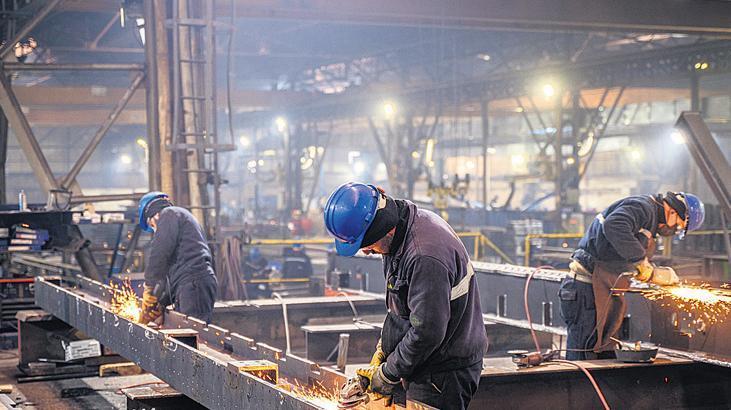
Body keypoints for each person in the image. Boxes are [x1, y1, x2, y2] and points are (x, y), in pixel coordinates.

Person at [324, 182, 487, 409]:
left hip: (441, 372)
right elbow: (403, 308)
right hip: (421, 360)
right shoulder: (401, 228)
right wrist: (384, 350)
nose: (366, 251)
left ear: (385, 229)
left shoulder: (423, 257)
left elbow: (427, 331)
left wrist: (388, 374)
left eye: (367, 244)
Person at [560, 191, 704, 360]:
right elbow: (614, 225)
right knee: (584, 354)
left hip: (603, 290)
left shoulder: (650, 222)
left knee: (602, 352)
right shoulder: (644, 207)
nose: (674, 230)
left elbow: (624, 253)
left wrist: (648, 271)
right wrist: (640, 261)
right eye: (678, 225)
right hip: (585, 289)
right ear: (673, 211)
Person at [137, 192, 218, 324]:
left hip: (194, 285)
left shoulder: (168, 214)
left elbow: (159, 253)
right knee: (187, 331)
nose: (155, 230)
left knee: (192, 332)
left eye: (152, 225)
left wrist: (149, 287)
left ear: (153, 214)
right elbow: (171, 274)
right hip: (193, 285)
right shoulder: (180, 218)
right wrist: (160, 303)